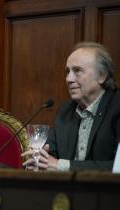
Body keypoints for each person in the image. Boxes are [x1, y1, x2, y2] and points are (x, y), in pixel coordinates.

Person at [22, 42, 120, 171]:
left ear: (102, 76)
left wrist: (61, 166)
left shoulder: (116, 106)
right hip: (65, 190)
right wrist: (39, 161)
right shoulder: (65, 110)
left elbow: (117, 167)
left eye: (77, 71)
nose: (69, 79)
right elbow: (50, 155)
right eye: (67, 71)